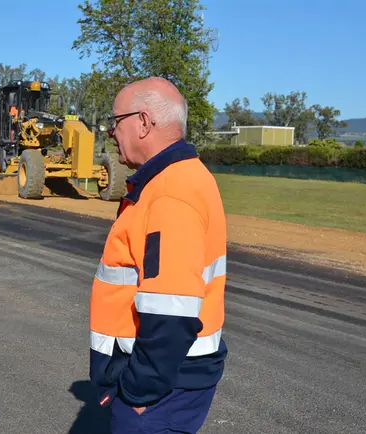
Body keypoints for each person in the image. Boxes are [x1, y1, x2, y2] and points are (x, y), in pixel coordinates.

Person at [89, 77, 228, 433]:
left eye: (116, 122)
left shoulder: (170, 191)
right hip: (171, 382)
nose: (110, 132)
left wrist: (138, 393)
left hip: (160, 392)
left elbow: (172, 311)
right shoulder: (178, 179)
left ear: (144, 122)